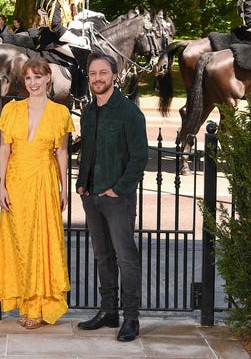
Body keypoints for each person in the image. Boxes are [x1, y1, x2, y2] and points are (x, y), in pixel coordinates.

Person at [0, 57, 74, 329]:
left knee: (42, 241)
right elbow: (4, 150)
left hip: (44, 181)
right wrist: (1, 185)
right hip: (16, 181)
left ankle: (37, 307)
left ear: (48, 78)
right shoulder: (12, 109)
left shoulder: (60, 113)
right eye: (28, 78)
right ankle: (23, 301)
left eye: (38, 77)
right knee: (19, 242)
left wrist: (64, 188)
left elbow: (62, 153)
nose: (33, 83)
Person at [76, 52, 148, 342]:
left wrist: (119, 189)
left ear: (115, 76)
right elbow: (87, 152)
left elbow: (139, 157)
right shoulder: (89, 112)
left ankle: (131, 317)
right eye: (93, 73)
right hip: (91, 195)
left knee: (125, 258)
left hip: (118, 197)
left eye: (103, 73)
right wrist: (82, 184)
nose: (97, 78)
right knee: (102, 256)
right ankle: (109, 310)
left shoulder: (129, 113)